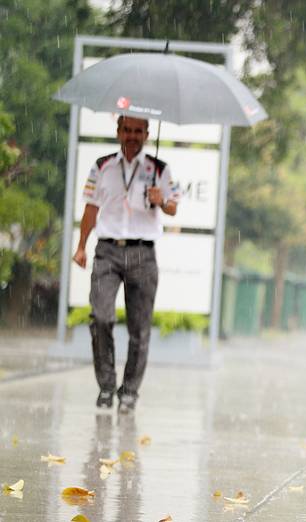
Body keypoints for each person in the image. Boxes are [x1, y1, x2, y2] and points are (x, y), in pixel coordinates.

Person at [72, 116, 179, 414]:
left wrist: (161, 200)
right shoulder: (102, 165)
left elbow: (173, 207)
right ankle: (106, 385)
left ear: (146, 134)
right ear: (118, 132)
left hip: (143, 254)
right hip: (107, 251)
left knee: (139, 328)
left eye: (138, 131)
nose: (132, 136)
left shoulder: (159, 169)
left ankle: (129, 391)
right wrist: (81, 246)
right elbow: (91, 208)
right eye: (127, 130)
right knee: (101, 317)